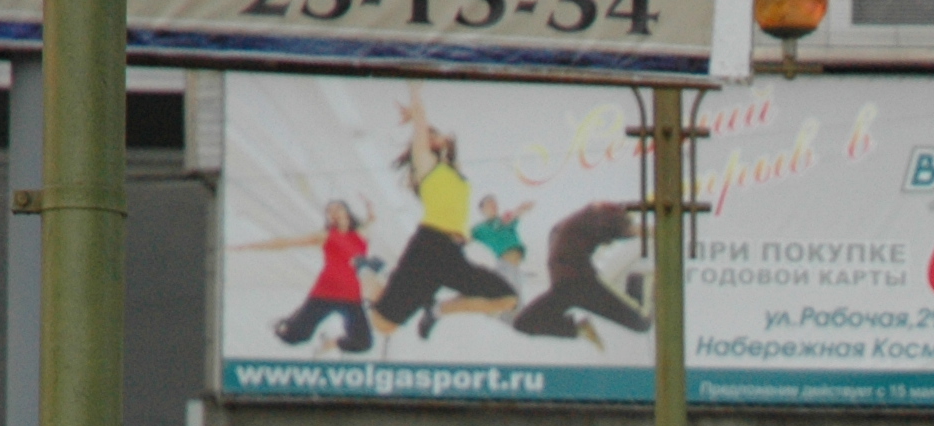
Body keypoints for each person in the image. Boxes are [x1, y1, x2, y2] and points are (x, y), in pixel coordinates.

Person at [370, 86, 516, 342]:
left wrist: (444, 140)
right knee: (384, 325)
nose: (430, 136)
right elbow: (422, 126)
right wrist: (415, 96)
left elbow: (449, 148)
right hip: (428, 246)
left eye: (434, 134)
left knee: (507, 298)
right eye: (426, 136)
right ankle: (367, 270)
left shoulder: (453, 170)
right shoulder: (425, 164)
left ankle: (436, 311)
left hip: (452, 251)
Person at [512, 202, 652, 348]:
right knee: (641, 324)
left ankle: (638, 282)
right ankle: (638, 282)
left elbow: (609, 227)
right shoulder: (587, 220)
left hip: (575, 286)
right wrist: (636, 230)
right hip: (574, 285)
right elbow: (609, 226)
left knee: (641, 324)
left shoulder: (570, 227)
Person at [249, 198, 378, 354]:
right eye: (330, 211)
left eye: (338, 209)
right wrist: (251, 246)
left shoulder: (360, 234)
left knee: (363, 343)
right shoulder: (326, 235)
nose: (334, 213)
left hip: (351, 297)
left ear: (346, 212)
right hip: (325, 293)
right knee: (295, 337)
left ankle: (330, 343)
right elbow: (288, 242)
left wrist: (369, 208)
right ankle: (288, 323)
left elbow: (370, 221)